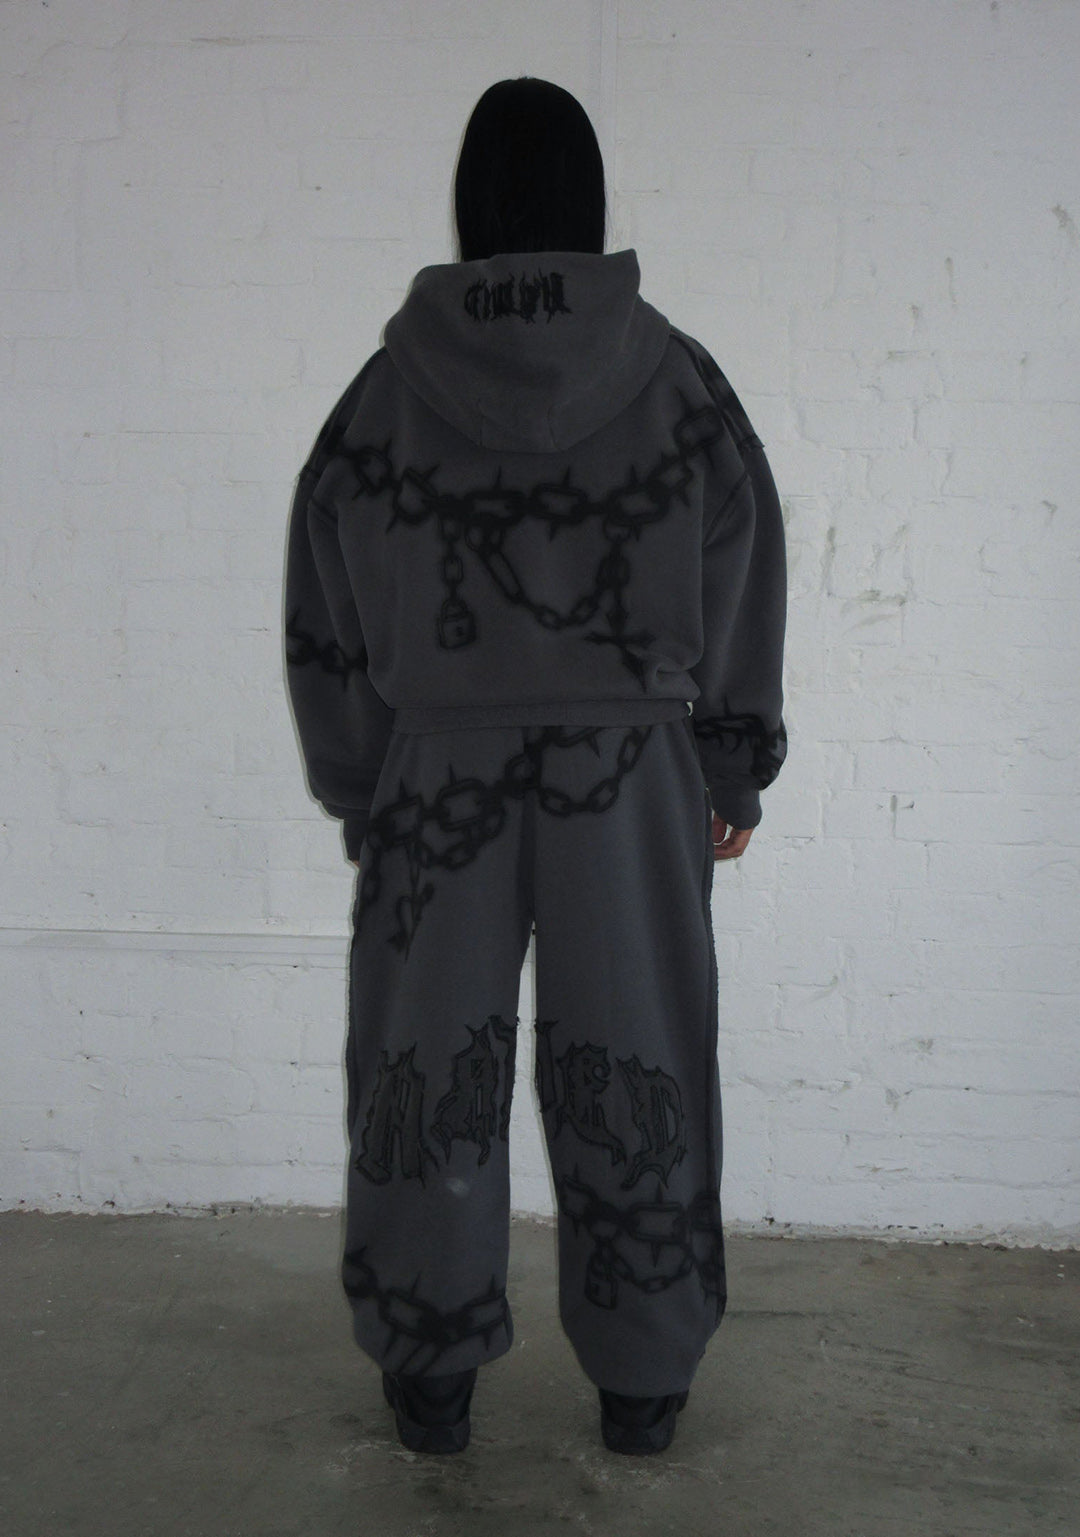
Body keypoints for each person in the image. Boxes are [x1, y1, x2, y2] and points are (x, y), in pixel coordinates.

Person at [283, 76, 788, 1457]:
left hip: (436, 777)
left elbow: (327, 600)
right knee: (641, 1058)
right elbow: (744, 556)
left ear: (472, 205)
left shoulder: (385, 392)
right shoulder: (677, 377)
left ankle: (429, 1373)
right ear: (589, 201)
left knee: (419, 1064)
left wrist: (361, 784)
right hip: (629, 773)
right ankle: (645, 1382)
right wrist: (730, 760)